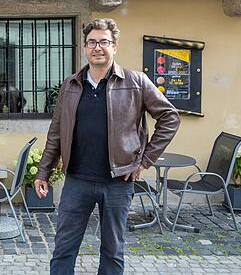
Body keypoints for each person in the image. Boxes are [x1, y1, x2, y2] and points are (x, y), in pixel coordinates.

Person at [34, 18, 180, 275]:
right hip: (77, 181)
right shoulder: (70, 85)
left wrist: (144, 161)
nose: (97, 47)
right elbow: (56, 132)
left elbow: (170, 118)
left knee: (112, 251)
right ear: (84, 47)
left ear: (115, 47)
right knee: (63, 248)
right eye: (92, 42)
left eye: (104, 42)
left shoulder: (135, 82)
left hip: (118, 182)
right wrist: (43, 171)